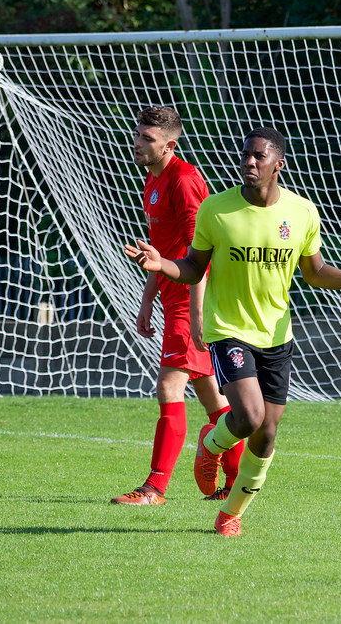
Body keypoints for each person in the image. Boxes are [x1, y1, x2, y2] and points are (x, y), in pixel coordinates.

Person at [124, 127, 341, 535]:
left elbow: (314, 272)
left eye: (259, 156)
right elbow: (193, 267)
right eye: (245, 154)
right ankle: (209, 446)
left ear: (279, 164)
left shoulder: (302, 212)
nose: (249, 161)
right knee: (249, 416)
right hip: (229, 330)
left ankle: (230, 515)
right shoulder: (216, 209)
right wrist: (163, 265)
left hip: (277, 335)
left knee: (267, 434)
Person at [111, 106, 244, 506]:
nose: (137, 143)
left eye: (147, 139)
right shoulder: (153, 179)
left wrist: (198, 314)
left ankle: (155, 488)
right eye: (138, 135)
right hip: (174, 300)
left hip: (191, 300)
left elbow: (199, 253)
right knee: (214, 399)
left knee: (169, 385)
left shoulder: (184, 181)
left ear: (170, 145)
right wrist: (147, 300)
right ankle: (234, 482)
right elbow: (162, 250)